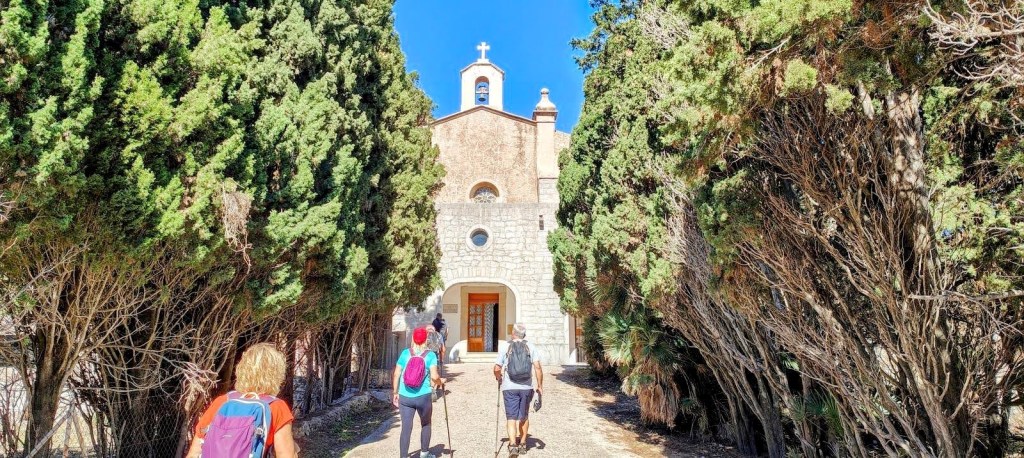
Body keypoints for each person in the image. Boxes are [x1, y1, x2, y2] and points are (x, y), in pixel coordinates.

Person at [185, 343, 299, 458]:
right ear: (277, 374)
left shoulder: (221, 402)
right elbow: (285, 455)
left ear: (242, 369)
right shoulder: (276, 407)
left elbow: (195, 452)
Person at [393, 327, 445, 458]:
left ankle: (403, 456)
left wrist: (395, 392)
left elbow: (396, 374)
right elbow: (434, 377)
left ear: (413, 339)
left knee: (406, 428)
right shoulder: (430, 355)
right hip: (423, 397)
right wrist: (440, 382)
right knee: (426, 423)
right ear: (426, 339)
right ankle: (424, 453)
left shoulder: (405, 353)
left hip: (405, 397)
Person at [493, 323, 543, 456]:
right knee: (524, 416)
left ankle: (513, 446)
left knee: (511, 417)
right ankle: (523, 443)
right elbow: (538, 367)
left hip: (509, 387)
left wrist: (499, 378)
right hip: (526, 387)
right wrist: (540, 386)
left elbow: (497, 368)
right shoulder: (530, 346)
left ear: (513, 333)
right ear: (524, 334)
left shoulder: (505, 346)